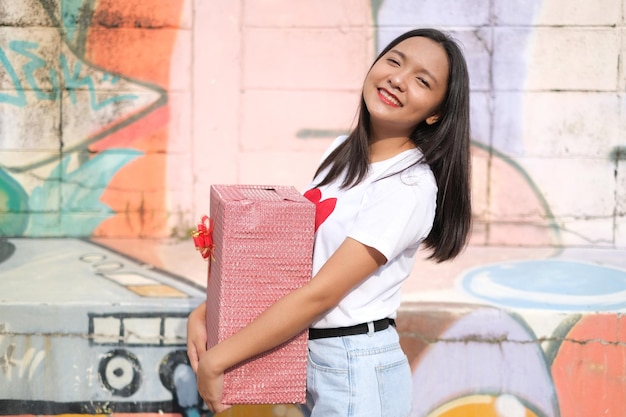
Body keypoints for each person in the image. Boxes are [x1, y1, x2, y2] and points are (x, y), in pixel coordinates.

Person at [186, 28, 472, 416]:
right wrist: (207, 312)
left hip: (357, 368)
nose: (398, 80)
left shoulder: (407, 186)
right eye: (394, 61)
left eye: (422, 81)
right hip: (314, 358)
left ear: (436, 111)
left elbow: (320, 293)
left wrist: (218, 361)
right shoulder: (341, 152)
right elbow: (293, 266)